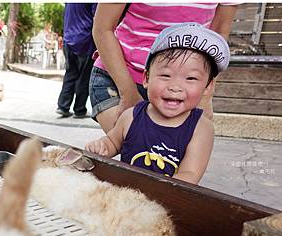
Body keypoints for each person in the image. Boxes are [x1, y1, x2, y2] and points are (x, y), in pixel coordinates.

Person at [85, 23, 230, 184]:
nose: (175, 87)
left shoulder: (201, 129)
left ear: (207, 86)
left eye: (191, 78)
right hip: (125, 199)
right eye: (165, 75)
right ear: (146, 78)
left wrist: (153, 191)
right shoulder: (131, 116)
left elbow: (190, 174)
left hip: (166, 203)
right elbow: (112, 142)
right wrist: (101, 146)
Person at [88, 3, 237, 133]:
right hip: (121, 78)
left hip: (181, 89)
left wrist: (205, 96)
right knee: (141, 151)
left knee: (178, 158)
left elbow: (217, 38)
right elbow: (102, 28)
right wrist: (128, 94)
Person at [56, 3, 97, 118]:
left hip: (68, 39)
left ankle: (63, 106)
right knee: (84, 77)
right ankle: (79, 109)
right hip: (84, 40)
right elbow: (98, 17)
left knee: (70, 73)